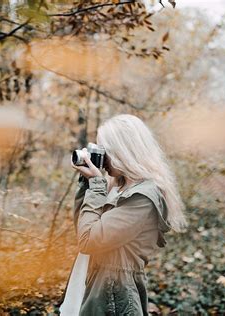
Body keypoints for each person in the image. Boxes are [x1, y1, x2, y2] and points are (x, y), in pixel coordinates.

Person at [59, 114, 188, 315]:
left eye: (105, 150)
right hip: (90, 281)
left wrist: (96, 185)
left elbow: (88, 240)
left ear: (123, 151)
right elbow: (83, 228)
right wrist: (88, 183)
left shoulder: (143, 197)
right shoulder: (115, 185)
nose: (102, 157)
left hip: (112, 298)